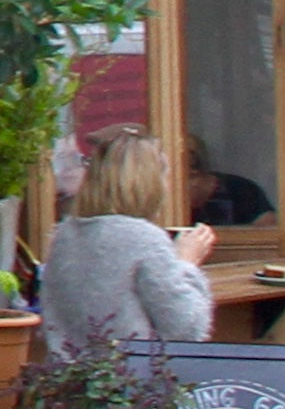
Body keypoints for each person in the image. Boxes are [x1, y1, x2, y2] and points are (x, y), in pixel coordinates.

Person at [35, 124, 214, 354]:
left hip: (66, 380)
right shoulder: (144, 239)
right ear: (149, 181)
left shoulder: (65, 236)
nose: (167, 186)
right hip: (129, 382)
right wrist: (186, 264)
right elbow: (187, 328)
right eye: (164, 174)